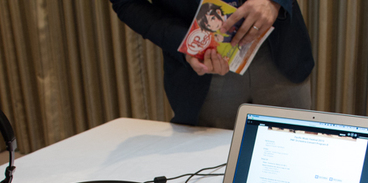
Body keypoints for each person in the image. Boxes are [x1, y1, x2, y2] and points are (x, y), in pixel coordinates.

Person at [109, 0, 314, 129]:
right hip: (202, 72)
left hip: (279, 54)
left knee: (293, 163)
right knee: (210, 175)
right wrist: (187, 42)